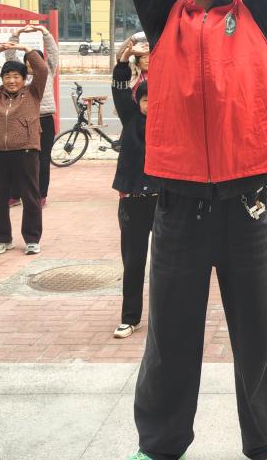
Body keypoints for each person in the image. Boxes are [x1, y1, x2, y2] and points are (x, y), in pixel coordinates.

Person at [123, 0, 267, 460]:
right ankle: (159, 446)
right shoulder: (162, 16)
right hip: (177, 209)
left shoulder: (259, 15)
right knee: (170, 339)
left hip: (247, 206)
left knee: (260, 337)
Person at [0, 42, 48, 256]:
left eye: (16, 76)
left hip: (26, 150)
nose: (12, 81)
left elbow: (42, 70)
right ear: (2, 79)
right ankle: (2, 239)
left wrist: (27, 50)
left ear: (24, 79)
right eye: (7, 76)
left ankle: (32, 239)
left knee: (30, 197)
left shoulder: (33, 93)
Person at [111, 45, 158, 339]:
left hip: (165, 201)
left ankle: (166, 318)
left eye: (155, 100)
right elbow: (119, 90)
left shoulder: (172, 124)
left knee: (169, 263)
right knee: (133, 262)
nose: (150, 105)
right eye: (145, 100)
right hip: (133, 200)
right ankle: (130, 318)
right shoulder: (130, 119)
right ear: (138, 101)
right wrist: (123, 61)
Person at [6, 24, 59, 208]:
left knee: (42, 161)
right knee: (18, 160)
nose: (31, 63)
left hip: (44, 121)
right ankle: (15, 195)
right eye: (28, 60)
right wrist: (16, 34)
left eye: (35, 60)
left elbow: (53, 53)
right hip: (22, 121)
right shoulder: (19, 77)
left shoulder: (47, 72)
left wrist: (45, 32)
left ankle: (41, 195)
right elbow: (10, 56)